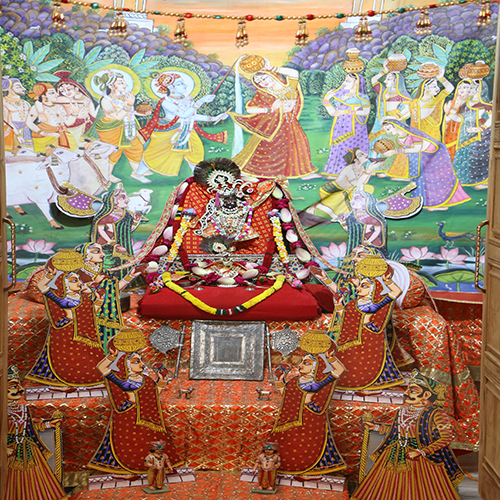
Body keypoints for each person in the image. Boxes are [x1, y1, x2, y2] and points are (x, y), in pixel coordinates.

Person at [352, 370, 464, 500]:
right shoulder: (402, 411)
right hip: (394, 454)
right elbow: (396, 431)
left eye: (412, 390)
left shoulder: (436, 413)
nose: (406, 393)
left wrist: (421, 452)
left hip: (421, 458)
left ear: (426, 394)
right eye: (407, 389)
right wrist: (376, 427)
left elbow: (446, 438)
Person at [89, 334, 182, 475]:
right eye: (136, 361)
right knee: (131, 443)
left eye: (141, 361)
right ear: (127, 365)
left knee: (148, 442)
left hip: (147, 414)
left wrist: (161, 381)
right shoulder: (123, 381)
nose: (142, 364)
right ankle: (129, 470)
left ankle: (153, 468)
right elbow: (101, 367)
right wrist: (112, 356)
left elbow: (154, 395)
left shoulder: (146, 380)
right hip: (129, 415)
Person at [327, 253, 405, 391]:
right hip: (352, 339)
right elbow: (345, 318)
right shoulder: (353, 304)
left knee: (370, 364)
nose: (358, 288)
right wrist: (338, 305)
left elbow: (396, 291)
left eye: (363, 286)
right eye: (359, 286)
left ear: (373, 288)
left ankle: (371, 385)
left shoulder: (379, 303)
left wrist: (386, 279)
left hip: (371, 337)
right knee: (350, 363)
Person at [27, 252, 105, 388]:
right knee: (66, 358)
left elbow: (91, 313)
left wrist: (99, 301)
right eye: (74, 280)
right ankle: (62, 382)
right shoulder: (60, 298)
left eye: (79, 280)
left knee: (87, 358)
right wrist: (52, 273)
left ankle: (89, 381)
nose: (80, 283)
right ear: (64, 283)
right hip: (65, 331)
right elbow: (42, 286)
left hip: (84, 332)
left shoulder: (83, 298)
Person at [270, 337, 346, 476]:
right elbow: (286, 396)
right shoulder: (295, 381)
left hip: (310, 417)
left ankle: (309, 469)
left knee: (308, 445)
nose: (300, 365)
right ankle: (290, 467)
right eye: (301, 362)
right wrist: (280, 381)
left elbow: (339, 370)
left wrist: (329, 357)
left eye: (306, 363)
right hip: (292, 417)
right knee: (291, 443)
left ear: (316, 367)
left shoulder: (319, 382)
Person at [231, 60, 317, 179]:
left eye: (264, 78)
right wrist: (269, 109)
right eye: (259, 82)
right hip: (272, 125)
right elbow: (250, 109)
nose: (263, 82)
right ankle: (252, 171)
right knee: (266, 148)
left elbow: (294, 73)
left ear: (271, 75)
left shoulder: (289, 87)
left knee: (298, 144)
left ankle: (303, 173)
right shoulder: (263, 93)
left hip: (290, 123)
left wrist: (273, 68)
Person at [139, 72, 228, 177]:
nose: (185, 85)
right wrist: (201, 101)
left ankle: (199, 177)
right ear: (171, 87)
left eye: (183, 83)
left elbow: (193, 116)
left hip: (187, 129)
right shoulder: (166, 102)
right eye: (180, 84)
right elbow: (184, 114)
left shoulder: (189, 99)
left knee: (196, 151)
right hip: (169, 131)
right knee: (156, 154)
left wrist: (215, 118)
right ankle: (138, 174)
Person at [5, 365, 68, 500]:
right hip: (9, 453)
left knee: (37, 482)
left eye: (19, 385)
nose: (21, 389)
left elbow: (30, 427)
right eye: (14, 386)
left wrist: (48, 424)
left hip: (30, 451)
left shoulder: (23, 409)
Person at [380, 119, 470, 211]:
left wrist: (396, 151)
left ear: (396, 126)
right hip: (422, 156)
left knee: (434, 180)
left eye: (389, 128)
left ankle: (440, 204)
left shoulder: (413, 134)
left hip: (435, 154)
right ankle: (425, 202)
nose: (388, 132)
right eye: (386, 130)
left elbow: (417, 149)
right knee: (421, 179)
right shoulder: (400, 138)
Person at [76, 242, 146, 351]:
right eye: (97, 251)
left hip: (108, 315)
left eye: (102, 251)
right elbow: (77, 294)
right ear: (84, 255)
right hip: (90, 316)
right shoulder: (78, 274)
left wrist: (131, 275)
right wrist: (94, 284)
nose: (103, 254)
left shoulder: (102, 271)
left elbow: (114, 290)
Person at [92, 70, 151, 183]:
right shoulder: (106, 100)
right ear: (110, 86)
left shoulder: (124, 97)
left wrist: (141, 113)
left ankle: (137, 171)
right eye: (120, 83)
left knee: (136, 148)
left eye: (124, 82)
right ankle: (107, 175)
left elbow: (129, 111)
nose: (125, 85)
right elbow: (118, 116)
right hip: (111, 128)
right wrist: (129, 104)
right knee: (114, 152)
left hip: (127, 126)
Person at [319, 73, 371, 178]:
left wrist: (348, 111)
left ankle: (354, 173)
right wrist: (326, 100)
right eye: (344, 80)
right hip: (340, 126)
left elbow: (366, 112)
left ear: (356, 82)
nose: (343, 83)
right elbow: (333, 113)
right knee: (338, 148)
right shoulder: (341, 95)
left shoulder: (362, 97)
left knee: (351, 148)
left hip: (355, 127)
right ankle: (336, 172)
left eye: (348, 81)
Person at [90, 184, 143, 279]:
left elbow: (127, 231)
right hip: (109, 245)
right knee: (109, 267)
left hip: (124, 244)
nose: (127, 200)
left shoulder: (126, 214)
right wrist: (114, 244)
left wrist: (135, 221)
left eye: (126, 197)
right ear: (113, 201)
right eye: (122, 197)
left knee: (125, 265)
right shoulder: (107, 215)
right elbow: (101, 230)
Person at [369, 62, 412, 176]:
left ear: (396, 81)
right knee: (377, 143)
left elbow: (409, 108)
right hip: (380, 121)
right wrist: (384, 71)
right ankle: (375, 167)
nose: (385, 81)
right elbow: (374, 80)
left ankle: (387, 169)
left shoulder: (401, 94)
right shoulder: (383, 91)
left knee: (391, 144)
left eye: (389, 79)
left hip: (394, 122)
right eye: (386, 78)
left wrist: (396, 117)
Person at [451, 79, 492, 189]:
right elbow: (459, 117)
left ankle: (480, 181)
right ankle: (463, 179)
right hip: (465, 133)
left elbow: (490, 118)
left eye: (474, 88)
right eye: (472, 87)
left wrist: (480, 128)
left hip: (481, 136)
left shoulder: (485, 104)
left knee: (478, 158)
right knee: (463, 155)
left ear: (481, 90)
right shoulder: (466, 104)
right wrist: (453, 110)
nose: (472, 89)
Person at [26, 82, 78, 153]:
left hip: (63, 135)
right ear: (43, 96)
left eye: (55, 92)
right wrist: (45, 133)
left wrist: (75, 112)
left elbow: (68, 123)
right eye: (52, 93)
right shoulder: (36, 108)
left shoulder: (59, 106)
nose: (57, 94)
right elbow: (29, 122)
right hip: (45, 138)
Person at [406, 66, 454, 142]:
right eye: (433, 86)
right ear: (425, 88)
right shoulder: (414, 102)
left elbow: (450, 88)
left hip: (433, 135)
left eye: (437, 86)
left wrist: (441, 78)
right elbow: (411, 119)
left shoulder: (437, 100)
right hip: (417, 136)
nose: (437, 88)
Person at [55, 71, 97, 148]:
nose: (66, 92)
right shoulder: (62, 101)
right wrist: (75, 112)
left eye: (69, 89)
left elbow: (93, 115)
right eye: (62, 91)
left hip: (86, 128)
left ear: (76, 88)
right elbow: (68, 123)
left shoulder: (86, 99)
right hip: (72, 131)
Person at [443, 79, 473, 161]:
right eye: (460, 87)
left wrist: (450, 113)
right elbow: (448, 118)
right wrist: (455, 106)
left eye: (466, 87)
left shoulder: (471, 105)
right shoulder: (451, 103)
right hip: (450, 134)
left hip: (463, 135)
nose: (462, 89)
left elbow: (462, 119)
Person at [2, 76, 32, 151]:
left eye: (22, 86)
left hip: (25, 132)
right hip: (10, 132)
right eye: (18, 87)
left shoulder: (26, 103)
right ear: (10, 90)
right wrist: (18, 134)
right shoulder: (3, 102)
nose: (24, 89)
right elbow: (8, 121)